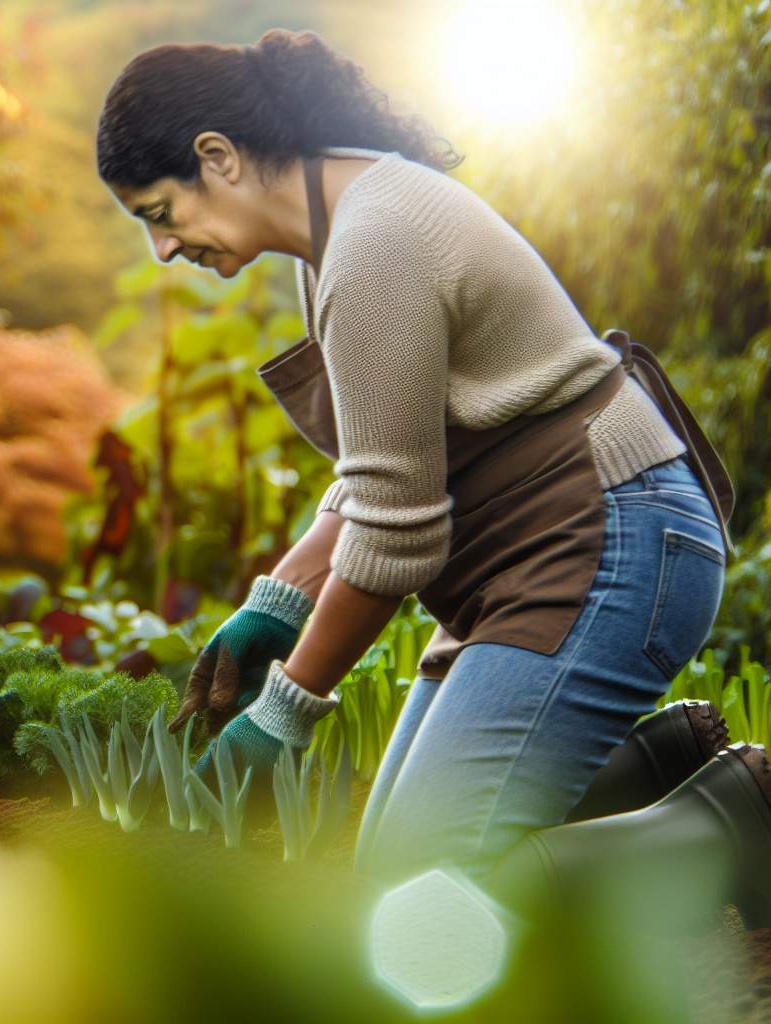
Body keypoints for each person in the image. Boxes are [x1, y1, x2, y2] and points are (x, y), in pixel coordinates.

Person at [95, 29, 768, 925]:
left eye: (159, 214)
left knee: (420, 897)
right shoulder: (338, 230)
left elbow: (397, 527)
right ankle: (653, 763)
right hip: (537, 557)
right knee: (392, 871)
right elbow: (388, 468)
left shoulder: (374, 244)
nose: (164, 250)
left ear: (215, 157)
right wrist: (279, 603)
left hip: (609, 545)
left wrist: (286, 712)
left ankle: (727, 822)